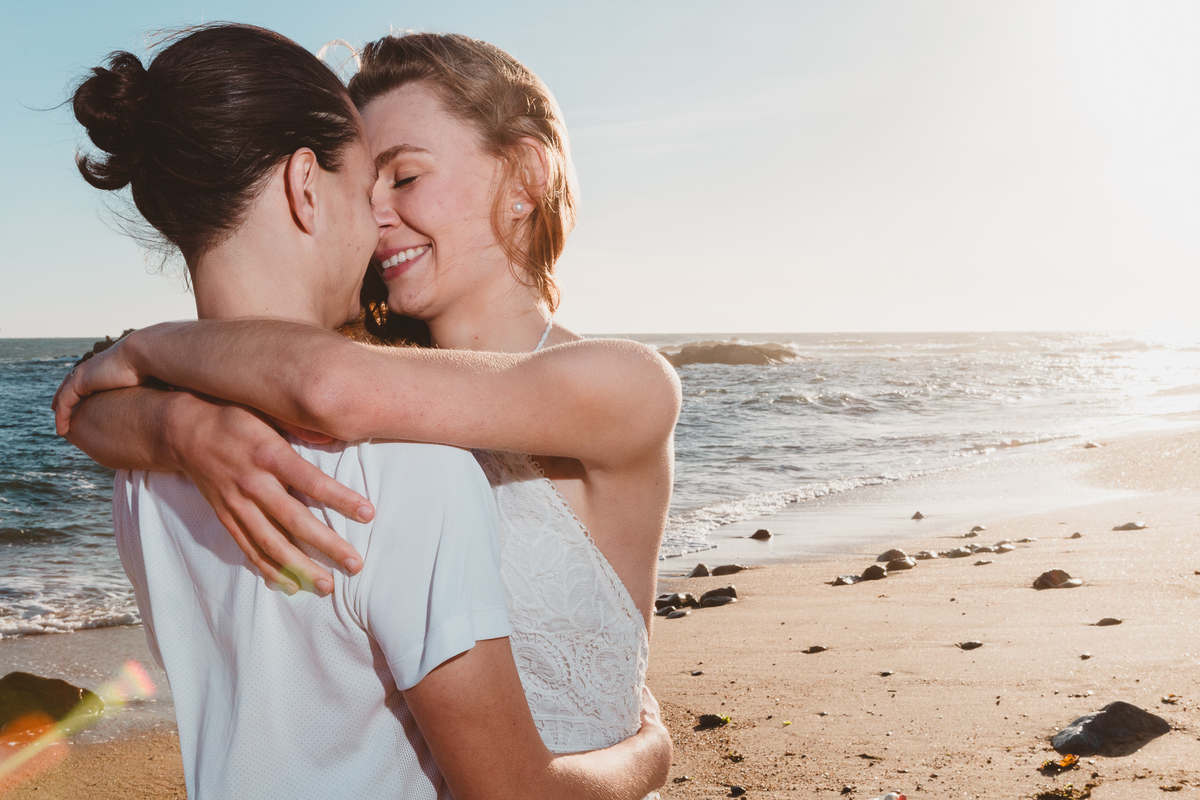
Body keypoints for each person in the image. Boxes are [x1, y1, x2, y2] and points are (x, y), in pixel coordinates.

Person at [64, 24, 670, 799]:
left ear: (525, 176)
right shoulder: (321, 383)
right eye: (366, 183)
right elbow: (89, 406)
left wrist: (147, 355)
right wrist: (180, 426)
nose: (376, 211)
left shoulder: (621, 383)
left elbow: (331, 387)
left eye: (406, 177)